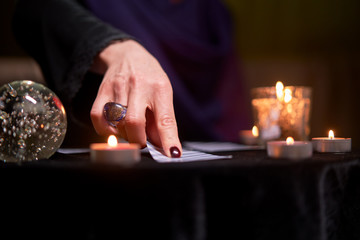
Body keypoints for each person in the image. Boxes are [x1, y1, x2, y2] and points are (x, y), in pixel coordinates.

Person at [12, 0, 251, 157]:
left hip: (207, 163)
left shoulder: (214, 14)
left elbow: (229, 106)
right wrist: (117, 48)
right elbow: (34, 8)